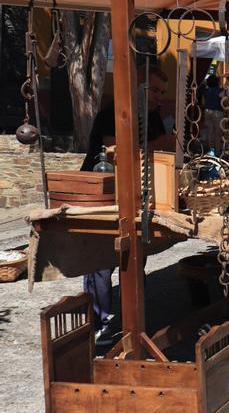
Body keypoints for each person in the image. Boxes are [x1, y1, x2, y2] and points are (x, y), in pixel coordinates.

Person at [79, 63, 174, 345]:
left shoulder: (153, 117)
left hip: (135, 194)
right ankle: (100, 322)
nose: (158, 96)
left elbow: (157, 151)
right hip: (102, 194)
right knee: (101, 259)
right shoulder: (111, 114)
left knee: (135, 254)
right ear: (137, 87)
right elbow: (113, 150)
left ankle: (132, 317)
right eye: (154, 90)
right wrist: (161, 142)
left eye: (161, 91)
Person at [198, 74, 224, 152]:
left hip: (207, 111)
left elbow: (203, 102)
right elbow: (224, 101)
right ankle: (217, 150)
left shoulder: (206, 91)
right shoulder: (220, 90)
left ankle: (210, 149)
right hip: (217, 112)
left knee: (209, 131)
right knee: (217, 133)